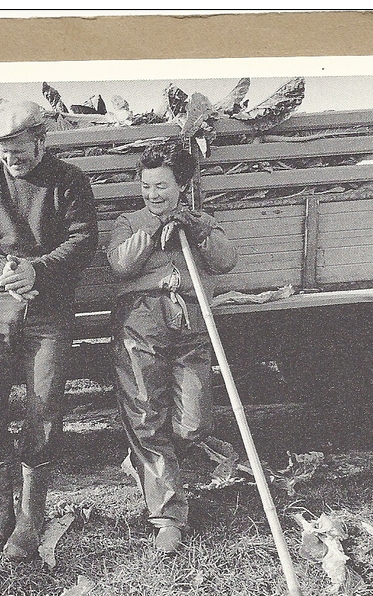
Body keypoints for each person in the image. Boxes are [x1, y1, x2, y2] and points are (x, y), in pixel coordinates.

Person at [0, 100, 98, 560]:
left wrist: (37, 271)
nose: (12, 159)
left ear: (41, 140)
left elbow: (82, 241)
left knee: (45, 406)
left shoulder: (71, 182)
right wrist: (1, 267)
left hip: (49, 307)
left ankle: (32, 514)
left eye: (20, 149)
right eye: (3, 151)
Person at [107, 143, 238, 554]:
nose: (153, 194)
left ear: (182, 185)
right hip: (141, 323)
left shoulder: (201, 222)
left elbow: (227, 259)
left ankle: (147, 464)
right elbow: (120, 265)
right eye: (146, 186)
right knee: (147, 417)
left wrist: (194, 230)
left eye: (161, 186)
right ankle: (168, 518)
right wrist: (151, 234)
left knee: (193, 424)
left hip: (190, 323)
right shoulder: (129, 222)